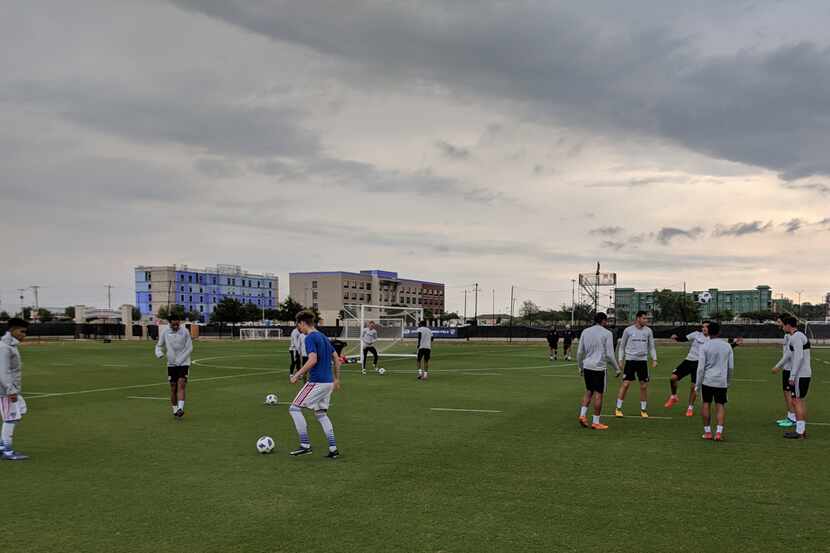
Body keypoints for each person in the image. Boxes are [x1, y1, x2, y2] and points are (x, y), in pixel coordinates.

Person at [288, 311, 341, 458]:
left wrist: (297, 375)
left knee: (294, 409)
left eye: (298, 325)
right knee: (321, 414)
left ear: (302, 323)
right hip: (328, 382)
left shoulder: (310, 337)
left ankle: (305, 445)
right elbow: (337, 359)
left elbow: (312, 360)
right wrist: (337, 379)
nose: (299, 329)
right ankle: (333, 449)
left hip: (317, 381)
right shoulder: (323, 337)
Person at [576, 313, 622, 430]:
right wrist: (617, 368)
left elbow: (580, 352)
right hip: (599, 368)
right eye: (606, 321)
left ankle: (582, 415)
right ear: (603, 321)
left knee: (588, 392)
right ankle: (596, 422)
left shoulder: (585, 332)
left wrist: (580, 366)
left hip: (587, 366)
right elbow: (610, 355)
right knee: (598, 394)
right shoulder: (607, 333)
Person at [614, 311, 657, 418]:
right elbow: (622, 347)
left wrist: (654, 359)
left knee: (643, 386)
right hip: (630, 361)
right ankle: (618, 408)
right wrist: (620, 360)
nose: (646, 320)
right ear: (638, 318)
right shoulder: (628, 330)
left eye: (647, 318)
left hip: (643, 361)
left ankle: (643, 410)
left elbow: (651, 347)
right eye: (644, 318)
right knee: (626, 384)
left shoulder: (648, 331)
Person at [695, 322, 733, 441]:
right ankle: (718, 433)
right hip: (721, 381)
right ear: (719, 332)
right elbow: (731, 367)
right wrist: (728, 381)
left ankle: (707, 432)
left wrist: (697, 384)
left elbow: (700, 368)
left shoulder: (705, 346)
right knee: (720, 405)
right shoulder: (727, 346)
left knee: (706, 403)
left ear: (708, 332)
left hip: (708, 380)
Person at [776, 316, 811, 439]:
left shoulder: (796, 337)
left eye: (783, 325)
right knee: (799, 401)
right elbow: (790, 354)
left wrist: (792, 375)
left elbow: (799, 357)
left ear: (788, 326)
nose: (782, 327)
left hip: (800, 375)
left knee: (796, 401)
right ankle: (801, 430)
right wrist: (778, 366)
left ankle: (800, 432)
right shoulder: (798, 336)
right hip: (804, 374)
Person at [665, 321, 711, 417]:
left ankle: (690, 408)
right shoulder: (696, 334)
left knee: (693, 387)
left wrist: (735, 344)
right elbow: (684, 338)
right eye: (703, 327)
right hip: (688, 361)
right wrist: (676, 338)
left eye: (706, 327)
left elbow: (722, 347)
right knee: (673, 378)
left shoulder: (712, 339)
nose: (704, 328)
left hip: (700, 365)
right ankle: (673, 396)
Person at [0, 318, 30, 460]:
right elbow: (3, 372)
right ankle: (7, 450)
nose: (24, 335)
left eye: (25, 332)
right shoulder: (4, 347)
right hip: (5, 391)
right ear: (12, 330)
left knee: (21, 409)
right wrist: (11, 391)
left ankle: (2, 446)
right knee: (11, 418)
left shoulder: (11, 346)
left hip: (12, 390)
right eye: (21, 331)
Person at [155, 317, 193, 419]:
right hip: (171, 364)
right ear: (170, 323)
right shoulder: (165, 332)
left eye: (177, 324)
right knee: (173, 387)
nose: (176, 326)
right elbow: (159, 345)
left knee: (181, 383)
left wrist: (181, 360)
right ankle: (175, 409)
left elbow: (190, 347)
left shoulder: (185, 331)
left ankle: (180, 409)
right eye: (173, 325)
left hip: (184, 362)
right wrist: (159, 353)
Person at [771, 314, 796, 428]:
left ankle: (792, 418)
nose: (778, 324)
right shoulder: (787, 336)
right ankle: (790, 416)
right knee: (787, 393)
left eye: (779, 322)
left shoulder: (791, 336)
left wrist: (778, 366)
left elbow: (789, 354)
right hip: (787, 368)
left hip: (790, 369)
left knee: (790, 394)